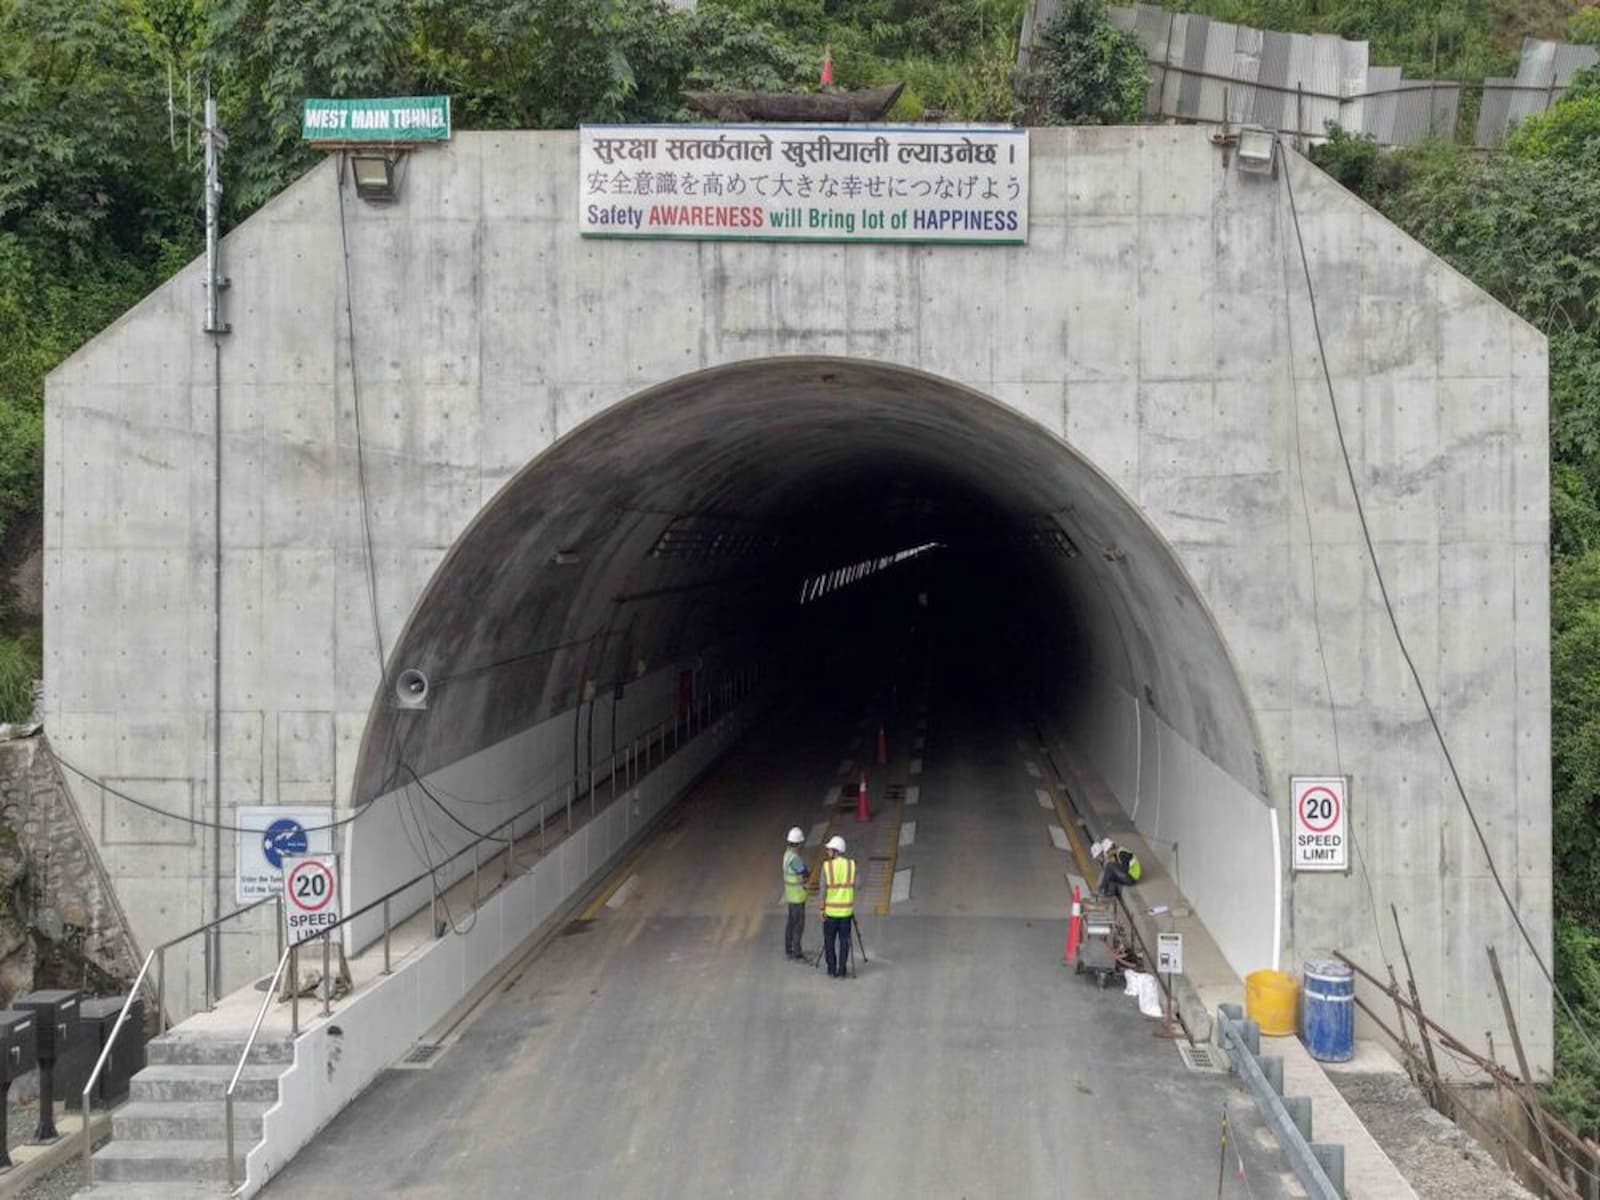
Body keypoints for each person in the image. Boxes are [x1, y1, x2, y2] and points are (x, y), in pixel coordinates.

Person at [820, 835, 856, 979]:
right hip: (846, 912)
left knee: (829, 941)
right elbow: (858, 885)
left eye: (829, 849)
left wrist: (822, 909)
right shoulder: (851, 865)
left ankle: (831, 969)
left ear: (835, 851)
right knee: (844, 942)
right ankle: (842, 970)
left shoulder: (827, 867)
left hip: (830, 913)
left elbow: (822, 890)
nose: (827, 851)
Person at [782, 826, 810, 960]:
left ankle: (789, 948)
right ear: (798, 843)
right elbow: (804, 872)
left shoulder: (787, 855)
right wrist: (806, 874)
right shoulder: (795, 859)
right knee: (798, 924)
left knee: (791, 923)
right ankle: (796, 951)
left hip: (790, 895)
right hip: (797, 897)